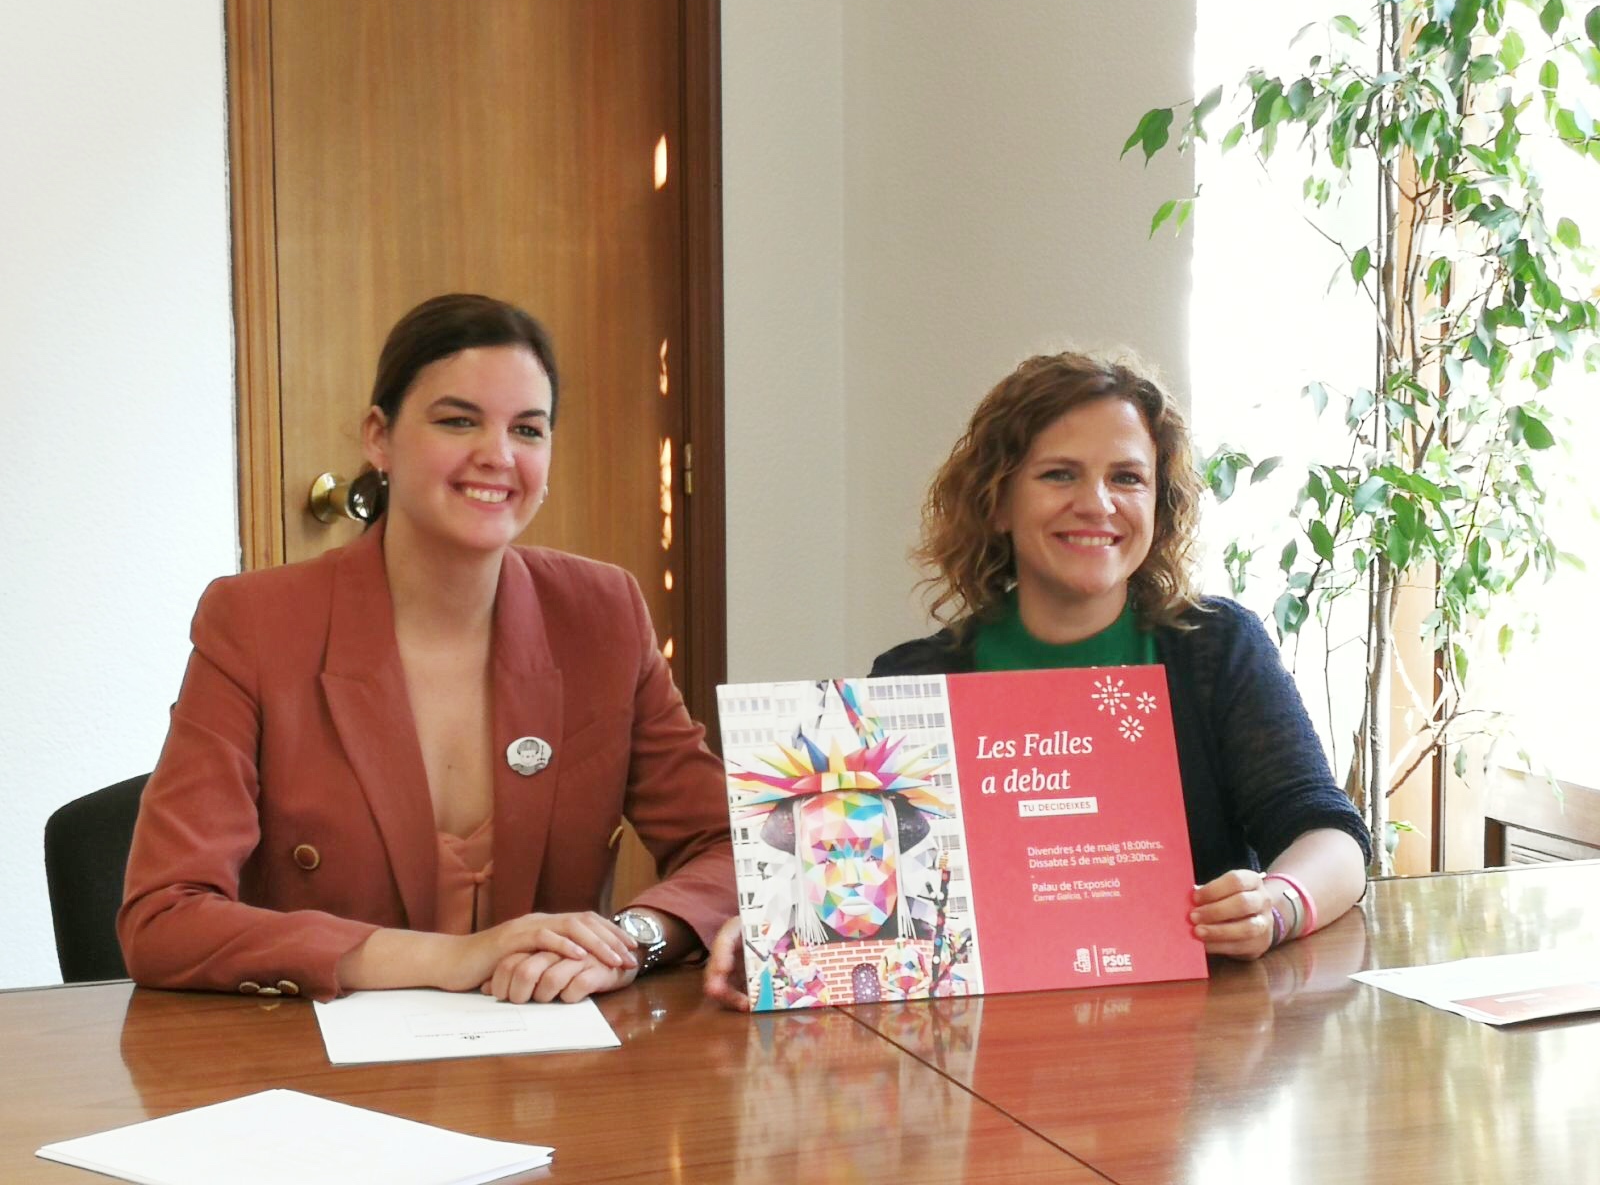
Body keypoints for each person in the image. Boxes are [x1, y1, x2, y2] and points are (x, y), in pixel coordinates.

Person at [120, 293, 735, 1004]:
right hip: (315, 1060)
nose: (498, 456)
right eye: (457, 420)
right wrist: (453, 958)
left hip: (553, 1056)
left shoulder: (602, 613)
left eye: (528, 430)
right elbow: (164, 917)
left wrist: (628, 940)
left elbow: (737, 847)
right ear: (378, 437)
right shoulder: (256, 622)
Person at [705, 350, 1367, 1009]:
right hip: (984, 1039)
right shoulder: (914, 681)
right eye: (1059, 474)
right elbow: (860, 879)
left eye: (1127, 478)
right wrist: (777, 931)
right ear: (997, 502)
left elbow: (1330, 835)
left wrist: (1277, 905)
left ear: (1159, 506)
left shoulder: (1214, 648)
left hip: (1200, 1031)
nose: (1097, 504)